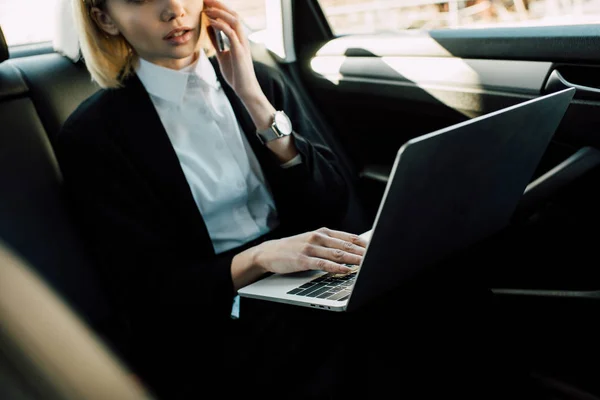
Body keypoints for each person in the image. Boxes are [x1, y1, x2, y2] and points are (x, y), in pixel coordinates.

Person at [56, 0, 512, 399]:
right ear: (106, 19)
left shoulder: (261, 84)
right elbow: (149, 294)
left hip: (303, 272)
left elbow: (333, 203)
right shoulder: (95, 136)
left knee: (453, 292)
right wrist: (260, 259)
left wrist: (254, 100)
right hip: (220, 311)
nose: (173, 9)